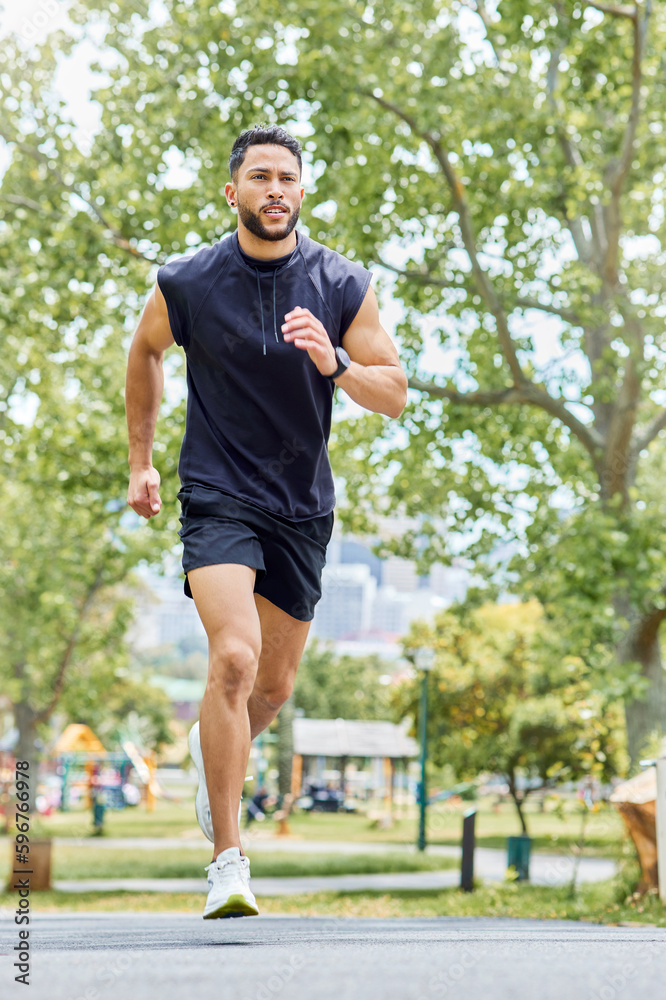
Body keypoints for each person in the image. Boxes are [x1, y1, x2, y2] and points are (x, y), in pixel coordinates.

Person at [126, 124, 407, 919]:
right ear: (233, 192)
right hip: (216, 494)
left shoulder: (342, 282)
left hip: (300, 507)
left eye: (287, 177)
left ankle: (213, 747)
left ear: (302, 192)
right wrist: (141, 460)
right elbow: (144, 353)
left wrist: (336, 362)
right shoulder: (186, 281)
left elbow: (394, 391)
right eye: (259, 177)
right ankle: (227, 860)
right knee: (235, 661)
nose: (274, 189)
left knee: (272, 690)